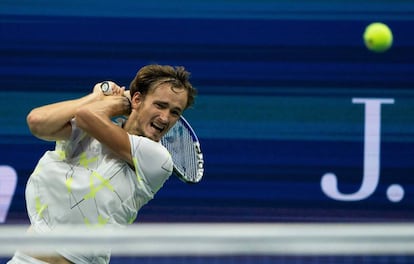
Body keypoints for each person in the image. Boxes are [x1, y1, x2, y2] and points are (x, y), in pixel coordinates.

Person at [8, 64, 197, 264]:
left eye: (175, 112)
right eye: (160, 105)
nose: (166, 117)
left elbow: (86, 116)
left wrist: (117, 100)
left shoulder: (158, 159)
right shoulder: (88, 128)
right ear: (138, 99)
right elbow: (37, 121)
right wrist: (95, 98)